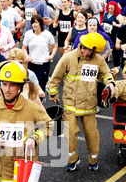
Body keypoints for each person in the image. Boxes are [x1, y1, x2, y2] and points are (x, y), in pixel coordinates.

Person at [48, 32, 115, 171]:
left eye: (91, 50)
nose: (86, 52)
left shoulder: (98, 60)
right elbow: (56, 77)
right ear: (81, 45)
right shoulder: (68, 57)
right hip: (70, 103)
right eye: (85, 49)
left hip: (89, 104)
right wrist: (53, 93)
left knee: (92, 134)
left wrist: (110, 83)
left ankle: (93, 160)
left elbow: (106, 73)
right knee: (70, 134)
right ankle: (72, 160)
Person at [22, 14, 57, 93]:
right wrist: (27, 56)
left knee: (41, 85)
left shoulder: (47, 34)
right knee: (31, 86)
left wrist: (51, 56)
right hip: (32, 63)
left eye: (36, 22)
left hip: (43, 64)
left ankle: (40, 102)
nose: (34, 25)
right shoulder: (28, 34)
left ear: (41, 23)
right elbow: (24, 48)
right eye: (33, 23)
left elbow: (54, 47)